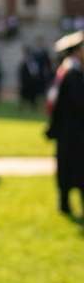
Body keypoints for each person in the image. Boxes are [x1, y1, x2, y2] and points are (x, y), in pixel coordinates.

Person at [46, 31, 84, 215]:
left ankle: (64, 203)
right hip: (75, 131)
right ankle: (66, 204)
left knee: (67, 168)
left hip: (66, 131)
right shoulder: (73, 74)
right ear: (76, 51)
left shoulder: (64, 72)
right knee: (76, 168)